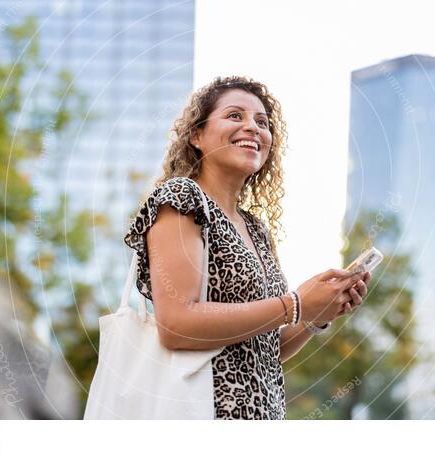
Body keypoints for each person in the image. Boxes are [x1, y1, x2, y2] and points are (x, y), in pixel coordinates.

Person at [124, 76, 370, 419]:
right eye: (235, 116)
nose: (252, 128)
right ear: (196, 135)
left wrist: (315, 315)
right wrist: (294, 304)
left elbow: (262, 348)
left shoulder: (256, 229)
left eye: (262, 122)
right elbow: (177, 325)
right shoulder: (182, 199)